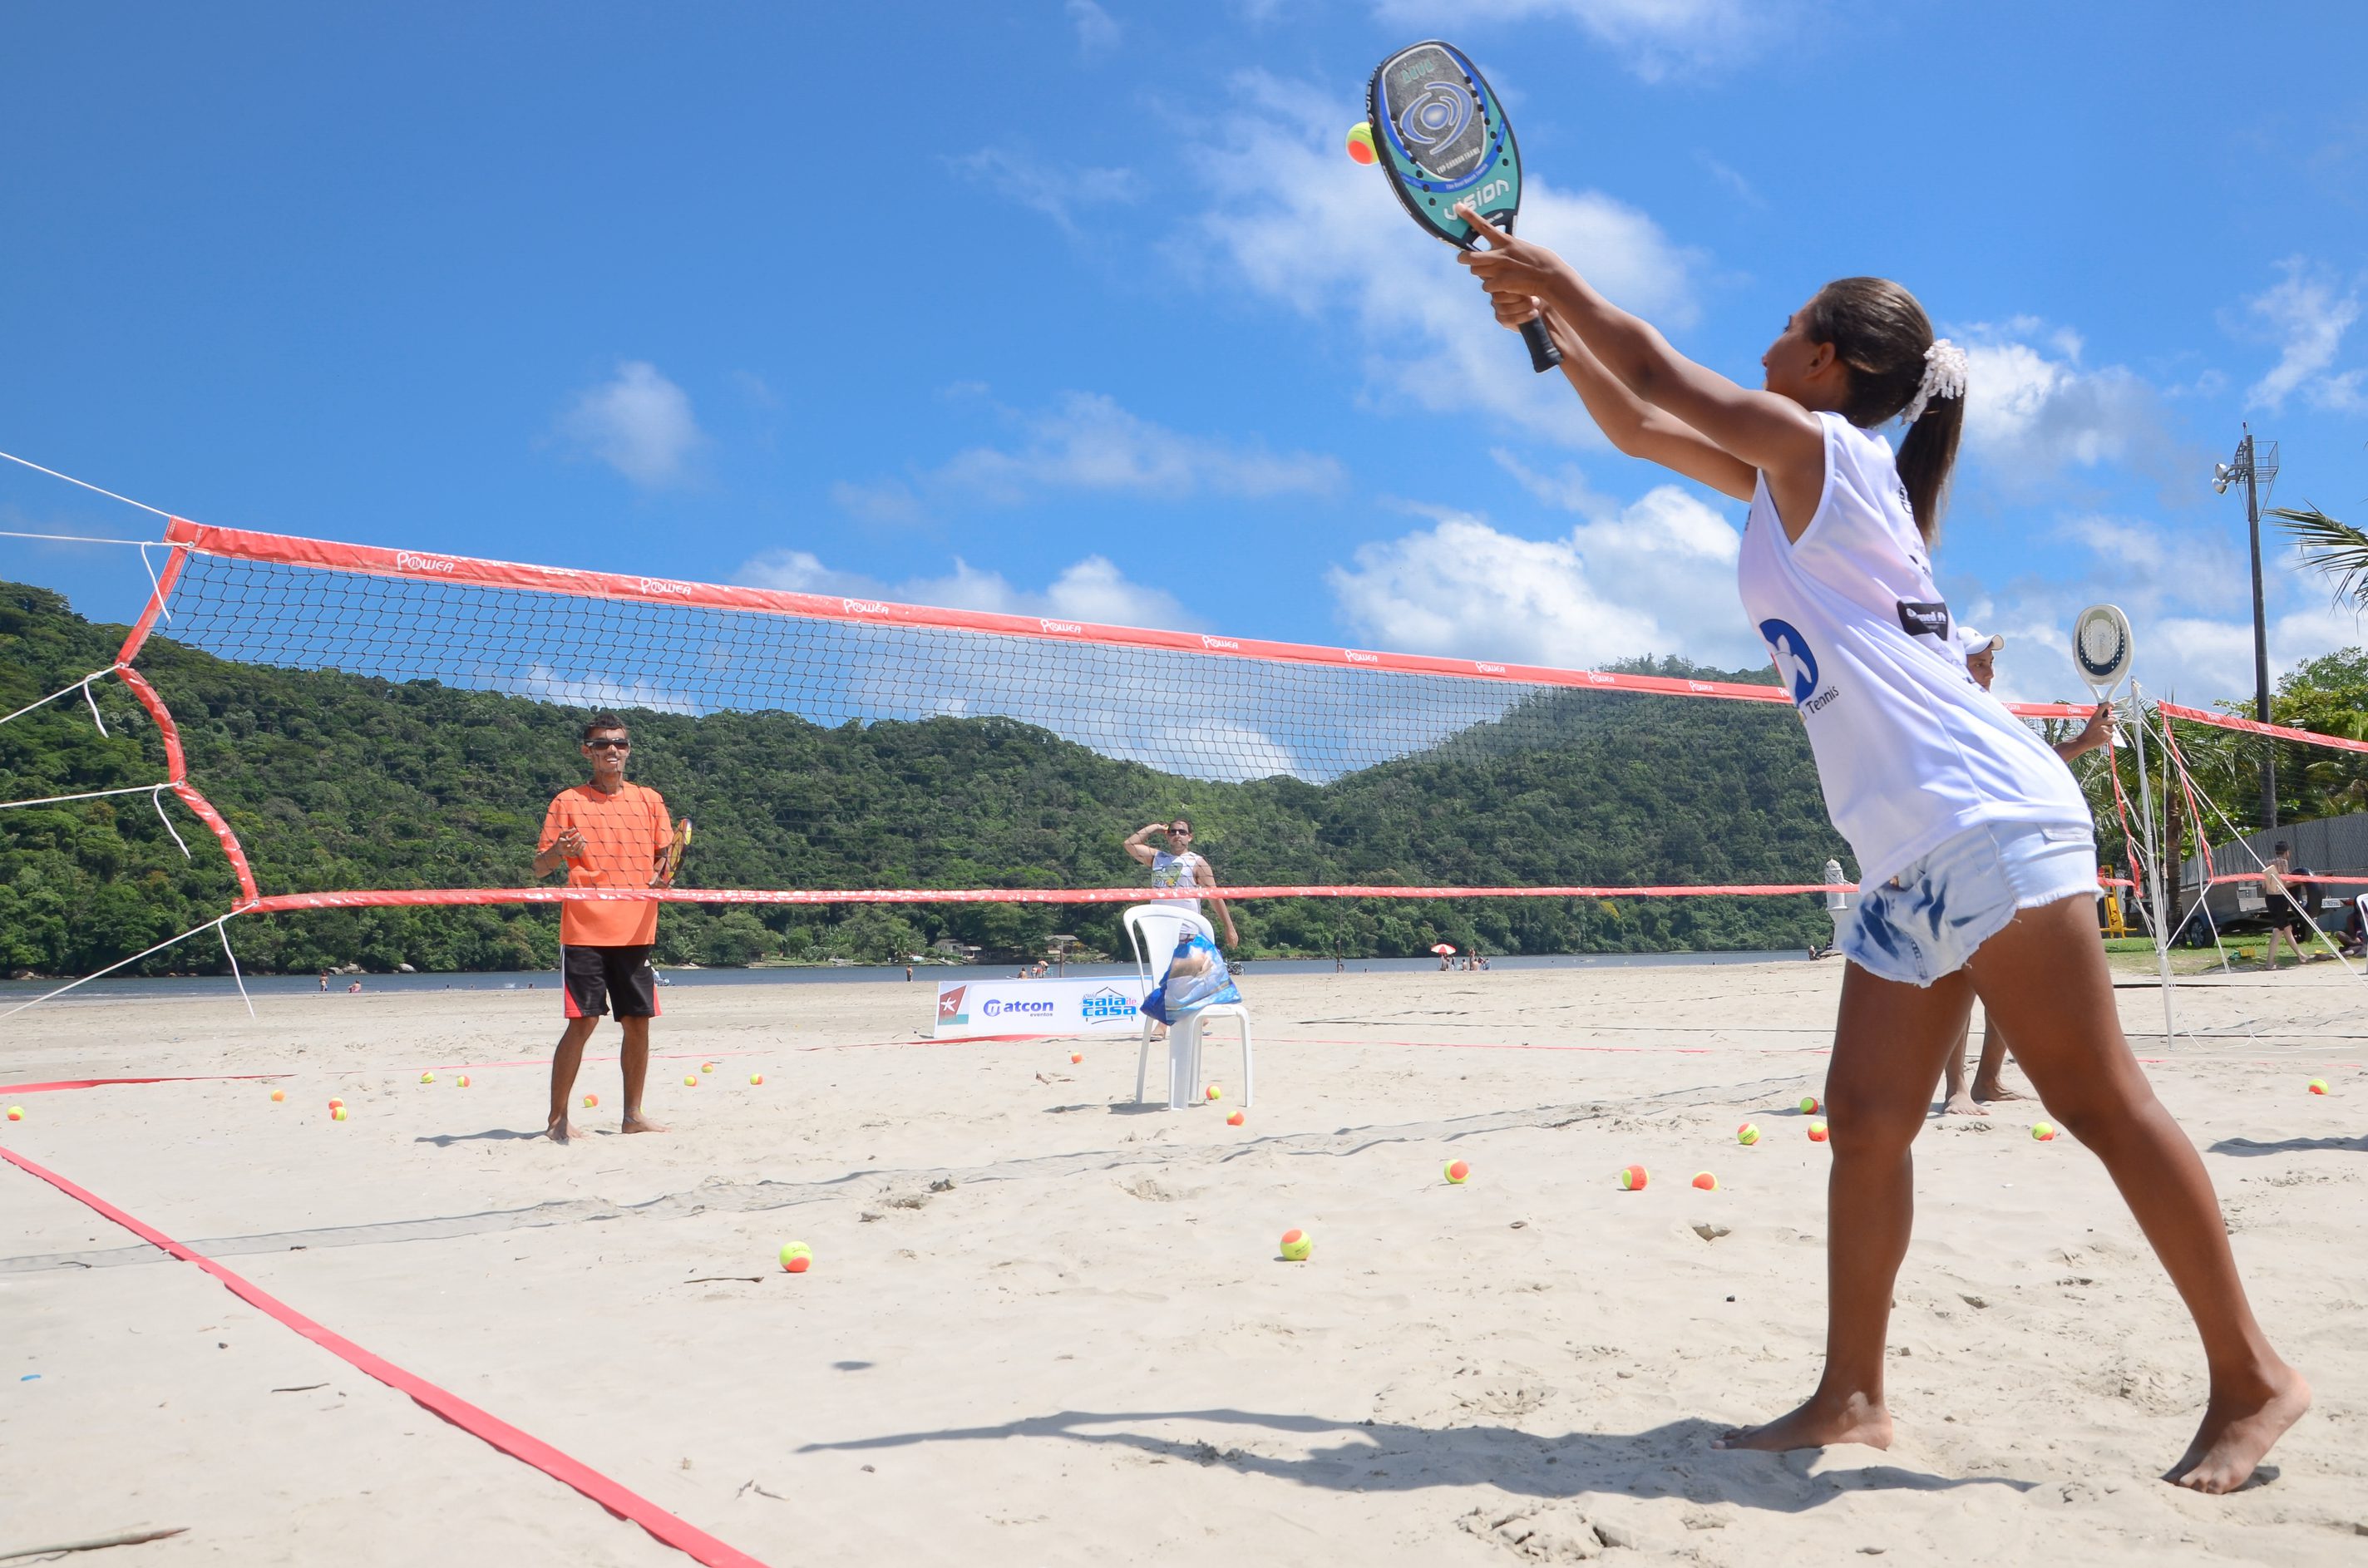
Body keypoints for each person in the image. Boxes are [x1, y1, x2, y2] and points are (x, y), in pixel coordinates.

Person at [1455, 211, 2306, 1491]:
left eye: (1790, 325)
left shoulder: (1823, 450)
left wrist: (1551, 275)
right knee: (1864, 1117)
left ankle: (2254, 1374)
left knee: (2098, 1099)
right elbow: (1635, 424)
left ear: (1832, 360)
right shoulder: (1802, 480)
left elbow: (1660, 376)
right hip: (1908, 851)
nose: (1768, 339)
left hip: (1984, 818)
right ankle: (1851, 1396)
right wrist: (1549, 327)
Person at [1941, 628, 2115, 1115]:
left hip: (2004, 857)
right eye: (1979, 662)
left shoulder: (1992, 713)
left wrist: (2082, 742)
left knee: (2006, 979)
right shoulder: (1944, 712)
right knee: (1961, 980)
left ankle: (1988, 1081)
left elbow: (2033, 768)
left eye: (1990, 662)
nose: (1990, 670)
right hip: (1961, 856)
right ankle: (1956, 1091)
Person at [534, 712, 675, 1143]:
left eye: (619, 743)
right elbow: (540, 868)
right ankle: (558, 1120)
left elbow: (667, 862)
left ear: (628, 750)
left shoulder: (650, 799)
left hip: (636, 930)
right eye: (602, 744)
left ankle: (633, 1115)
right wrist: (558, 850)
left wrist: (663, 875)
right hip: (585, 930)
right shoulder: (567, 802)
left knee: (638, 1022)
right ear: (586, 751)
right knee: (583, 1023)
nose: (612, 750)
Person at [1122, 818, 1240, 948]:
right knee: (1165, 968)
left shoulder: (1197, 862)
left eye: (1182, 832)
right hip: (1159, 929)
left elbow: (1215, 897)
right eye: (1173, 832)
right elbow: (1129, 844)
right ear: (1167, 836)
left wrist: (1229, 928)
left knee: (1186, 967)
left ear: (1190, 837)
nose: (1177, 835)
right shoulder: (1158, 858)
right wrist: (1155, 827)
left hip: (1186, 931)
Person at [2260, 841, 2305, 971]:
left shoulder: (2267, 863)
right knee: (2278, 930)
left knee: (2287, 928)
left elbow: (2263, 885)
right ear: (2287, 852)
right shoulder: (2283, 862)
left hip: (2270, 899)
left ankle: (2301, 955)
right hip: (2279, 899)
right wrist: (2301, 882)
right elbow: (2284, 883)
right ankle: (2269, 963)